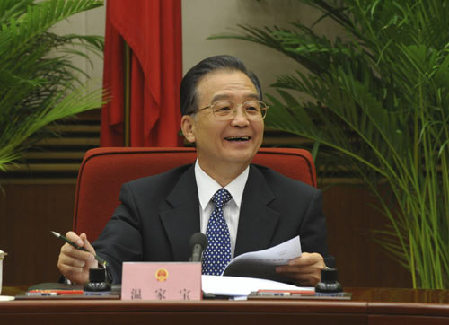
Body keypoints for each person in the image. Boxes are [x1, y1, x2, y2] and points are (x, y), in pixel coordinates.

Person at [57, 55, 331, 285]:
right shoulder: (144, 199)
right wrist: (90, 267)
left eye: (251, 107)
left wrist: (321, 277)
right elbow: (109, 264)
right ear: (189, 128)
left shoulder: (299, 202)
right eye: (224, 108)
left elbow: (329, 285)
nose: (241, 120)